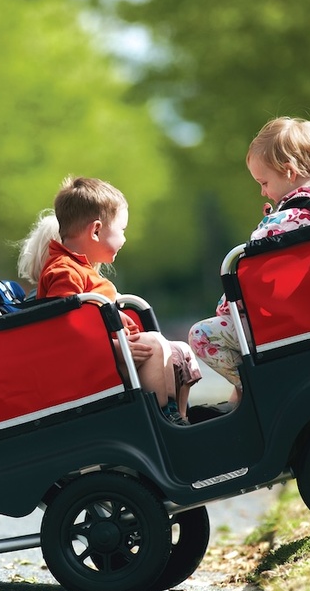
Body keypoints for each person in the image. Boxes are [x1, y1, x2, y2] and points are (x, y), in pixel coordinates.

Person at [188, 116, 310, 408]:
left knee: (202, 334)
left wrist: (225, 308)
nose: (262, 191)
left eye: (264, 182)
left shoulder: (283, 222)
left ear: (289, 171)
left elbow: (248, 272)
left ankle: (257, 388)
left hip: (282, 323)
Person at [30, 176, 201, 426]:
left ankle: (178, 416)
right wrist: (111, 348)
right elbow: (64, 329)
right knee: (153, 343)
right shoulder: (64, 271)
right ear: (96, 231)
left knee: (171, 348)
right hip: (86, 364)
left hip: (103, 355)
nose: (124, 239)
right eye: (122, 230)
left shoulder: (79, 268)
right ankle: (164, 419)